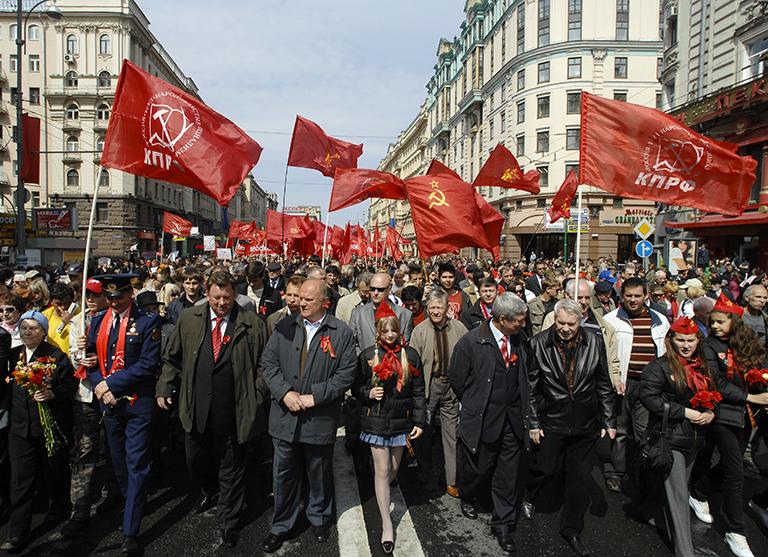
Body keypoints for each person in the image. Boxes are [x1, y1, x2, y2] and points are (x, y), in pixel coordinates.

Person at [158, 268, 268, 548]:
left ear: (235, 296)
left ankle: (229, 521)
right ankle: (211, 488)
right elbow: (171, 359)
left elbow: (264, 365)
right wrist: (164, 386)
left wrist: (256, 393)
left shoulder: (252, 323)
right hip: (197, 409)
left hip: (235, 410)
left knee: (232, 467)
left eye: (228, 298)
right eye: (217, 298)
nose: (222, 303)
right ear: (207, 295)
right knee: (195, 460)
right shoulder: (188, 320)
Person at [260, 279, 357, 553]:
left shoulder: (341, 332)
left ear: (324, 302)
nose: (301, 303)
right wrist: (285, 393)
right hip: (284, 416)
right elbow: (268, 363)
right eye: (300, 298)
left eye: (308, 300)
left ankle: (319, 517)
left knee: (319, 472)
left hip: (319, 417)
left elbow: (346, 373)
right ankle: (281, 525)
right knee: (283, 475)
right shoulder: (284, 326)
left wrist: (316, 396)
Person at [524, 299, 616, 557]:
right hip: (551, 419)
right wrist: (533, 422)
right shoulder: (538, 343)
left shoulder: (594, 341)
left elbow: (603, 383)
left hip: (585, 423)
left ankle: (571, 528)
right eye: (561, 323)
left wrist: (608, 420)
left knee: (579, 479)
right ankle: (531, 493)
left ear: (581, 320)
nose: (565, 328)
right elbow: (531, 388)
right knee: (545, 467)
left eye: (571, 324)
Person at [84, 274, 162, 554]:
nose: (115, 302)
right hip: (109, 403)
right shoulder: (98, 320)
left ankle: (130, 529)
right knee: (118, 463)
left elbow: (147, 364)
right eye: (111, 297)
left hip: (136, 403)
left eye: (120, 297)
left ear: (131, 293)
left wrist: (110, 384)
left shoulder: (147, 321)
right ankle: (133, 501)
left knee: (137, 463)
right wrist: (98, 384)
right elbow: (91, 359)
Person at [448, 293, 529, 555]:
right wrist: (475, 404)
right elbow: (458, 380)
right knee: (479, 467)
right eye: (518, 321)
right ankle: (468, 493)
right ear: (502, 319)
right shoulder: (471, 342)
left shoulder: (520, 340)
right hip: (482, 418)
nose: (523, 325)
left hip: (512, 420)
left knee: (508, 474)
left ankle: (503, 524)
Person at [689, 294, 768, 557]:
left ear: (734, 322)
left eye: (720, 322)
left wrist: (761, 383)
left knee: (728, 465)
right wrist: (751, 396)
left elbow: (761, 367)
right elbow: (716, 383)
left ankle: (699, 492)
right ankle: (736, 531)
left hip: (747, 414)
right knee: (735, 472)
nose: (714, 327)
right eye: (712, 322)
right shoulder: (709, 346)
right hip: (723, 412)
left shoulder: (748, 342)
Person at [639, 317, 719, 557]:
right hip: (669, 438)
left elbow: (713, 393)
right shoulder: (659, 366)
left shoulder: (703, 366)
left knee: (676, 488)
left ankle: (653, 514)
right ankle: (686, 551)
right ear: (671, 340)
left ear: (698, 340)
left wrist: (710, 411)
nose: (686, 345)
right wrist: (683, 411)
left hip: (694, 439)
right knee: (679, 495)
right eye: (680, 339)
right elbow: (649, 398)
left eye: (690, 340)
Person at [1, 311, 75, 552]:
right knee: (20, 482)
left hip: (48, 427)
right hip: (20, 430)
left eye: (33, 328)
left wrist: (52, 393)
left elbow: (68, 386)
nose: (27, 333)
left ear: (44, 331)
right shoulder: (13, 356)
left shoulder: (56, 357)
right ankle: (16, 534)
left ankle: (60, 509)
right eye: (23, 328)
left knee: (55, 472)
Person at [354, 311, 425, 554]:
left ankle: (381, 485)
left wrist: (419, 420)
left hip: (401, 422)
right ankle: (386, 522)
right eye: (385, 331)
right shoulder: (367, 356)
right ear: (378, 333)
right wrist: (368, 394)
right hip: (376, 421)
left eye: (393, 330)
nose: (390, 335)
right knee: (383, 470)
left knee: (393, 469)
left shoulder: (411, 356)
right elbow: (356, 387)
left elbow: (418, 392)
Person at [63, 278, 120, 538]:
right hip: (86, 396)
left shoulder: (115, 319)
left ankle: (112, 493)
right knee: (85, 452)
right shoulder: (77, 322)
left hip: (111, 395)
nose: (91, 299)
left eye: (96, 295)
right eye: (87, 294)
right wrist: (81, 358)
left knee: (112, 448)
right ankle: (80, 509)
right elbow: (73, 357)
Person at [603, 277, 670, 487]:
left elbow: (666, 350)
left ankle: (643, 471)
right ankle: (615, 472)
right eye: (629, 296)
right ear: (622, 296)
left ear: (646, 296)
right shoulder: (611, 319)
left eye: (637, 296)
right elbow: (606, 352)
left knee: (644, 430)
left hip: (649, 385)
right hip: (622, 382)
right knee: (620, 429)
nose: (633, 300)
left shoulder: (660, 320)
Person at [409, 288, 467, 497]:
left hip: (451, 386)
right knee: (423, 432)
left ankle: (451, 479)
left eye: (439, 307)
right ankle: (424, 472)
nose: (435, 311)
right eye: (432, 307)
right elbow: (413, 365)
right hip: (428, 386)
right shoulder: (419, 331)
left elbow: (467, 358)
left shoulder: (459, 328)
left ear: (446, 308)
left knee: (451, 435)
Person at [350, 272, 412, 354]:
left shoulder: (405, 315)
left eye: (380, 290)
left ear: (389, 289)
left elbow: (405, 344)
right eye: (372, 289)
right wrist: (364, 359)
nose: (375, 293)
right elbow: (352, 343)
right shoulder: (357, 314)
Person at [43, 282, 80, 355]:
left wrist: (71, 323)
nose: (63, 307)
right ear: (51, 302)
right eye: (58, 304)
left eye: (67, 303)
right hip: (52, 360)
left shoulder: (80, 314)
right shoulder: (45, 316)